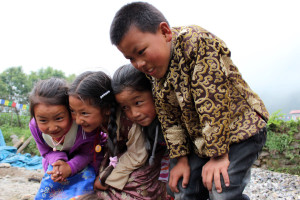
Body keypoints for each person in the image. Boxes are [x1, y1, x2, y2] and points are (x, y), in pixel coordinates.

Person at [110, 2, 269, 200]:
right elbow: (168, 115)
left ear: (165, 32)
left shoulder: (197, 43)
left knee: (221, 192)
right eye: (130, 58)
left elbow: (212, 102)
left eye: (141, 51)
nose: (139, 64)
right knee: (182, 188)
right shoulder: (154, 69)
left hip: (239, 129)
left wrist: (218, 156)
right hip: (203, 138)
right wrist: (181, 158)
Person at [68, 71, 168, 200]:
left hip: (142, 158)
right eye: (73, 111)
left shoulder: (129, 120)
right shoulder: (96, 121)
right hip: (121, 156)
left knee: (136, 185)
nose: (78, 120)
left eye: (84, 113)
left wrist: (106, 178)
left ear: (107, 108)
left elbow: (138, 154)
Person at [29, 78, 106, 200]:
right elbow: (45, 152)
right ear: (35, 117)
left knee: (83, 192)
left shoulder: (82, 126)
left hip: (86, 162)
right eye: (43, 120)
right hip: (56, 166)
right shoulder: (35, 127)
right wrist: (58, 163)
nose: (52, 127)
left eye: (59, 118)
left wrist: (70, 167)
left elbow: (88, 153)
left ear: (70, 112)